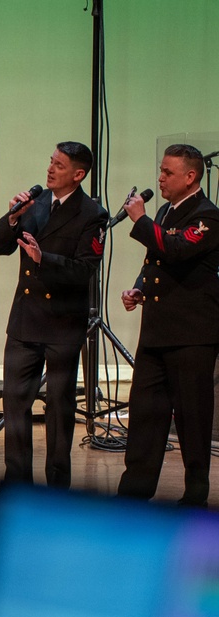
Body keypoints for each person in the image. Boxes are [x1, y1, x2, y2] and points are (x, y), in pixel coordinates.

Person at [0, 141, 107, 491]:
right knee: (15, 402)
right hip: (25, 321)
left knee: (58, 406)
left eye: (59, 164)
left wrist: (44, 260)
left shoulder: (91, 214)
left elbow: (85, 269)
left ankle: (57, 485)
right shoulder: (35, 204)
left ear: (78, 174)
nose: (50, 169)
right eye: (50, 161)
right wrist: (12, 217)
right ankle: (18, 480)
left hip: (62, 324)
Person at [117, 144, 219, 507]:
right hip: (157, 333)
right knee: (146, 415)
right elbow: (157, 261)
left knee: (192, 420)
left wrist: (141, 221)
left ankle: (194, 496)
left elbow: (176, 249)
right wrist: (139, 289)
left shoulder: (208, 217)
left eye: (167, 173)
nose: (159, 178)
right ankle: (134, 493)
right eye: (160, 171)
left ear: (190, 177)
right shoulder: (165, 210)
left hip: (192, 335)